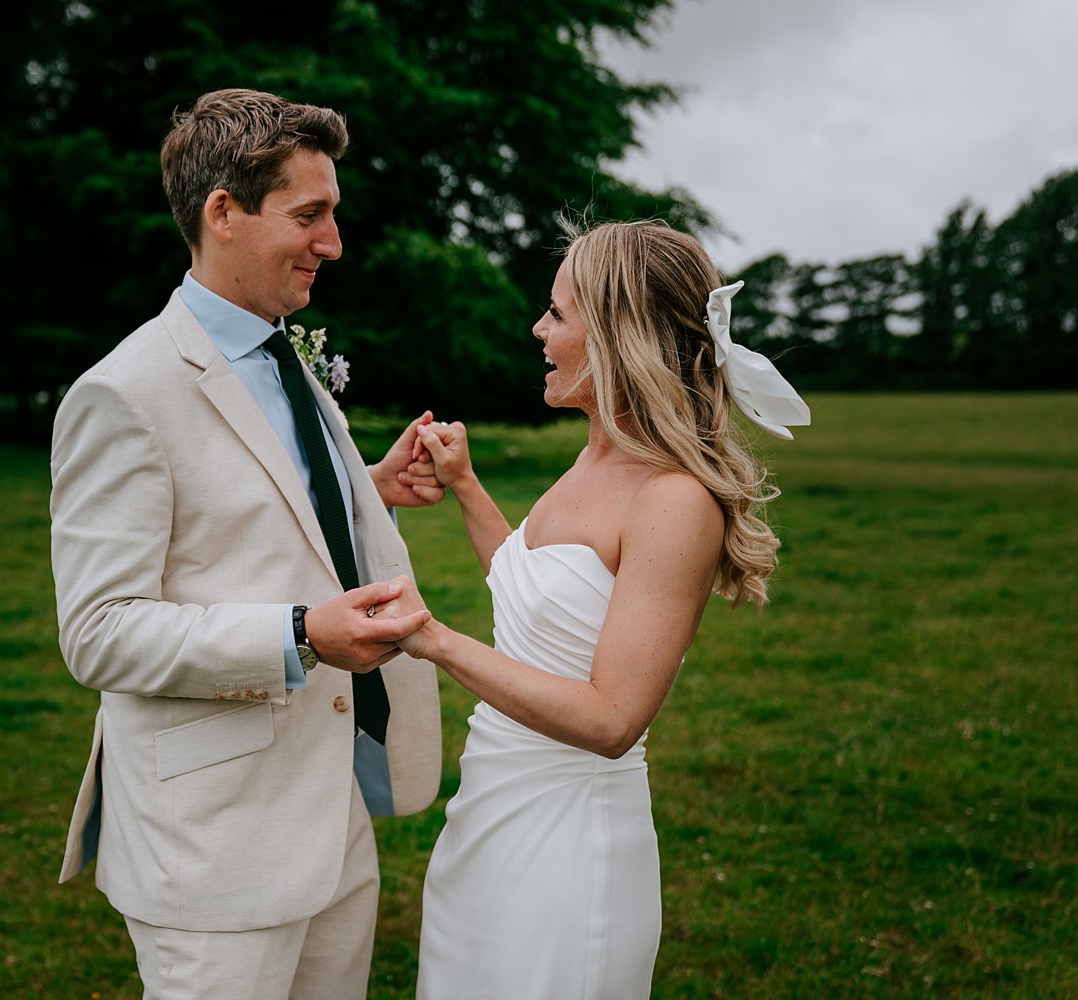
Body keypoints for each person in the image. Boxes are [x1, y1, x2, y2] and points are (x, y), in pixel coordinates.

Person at [49, 88, 446, 1000]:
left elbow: (255, 505)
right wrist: (302, 633)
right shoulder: (125, 395)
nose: (334, 243)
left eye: (333, 214)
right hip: (213, 847)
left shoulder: (280, 352)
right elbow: (100, 631)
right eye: (310, 216)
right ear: (222, 213)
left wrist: (367, 489)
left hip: (329, 808)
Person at [376, 221, 810, 999]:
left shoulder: (674, 500)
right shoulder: (593, 454)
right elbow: (536, 602)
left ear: (614, 336)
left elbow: (613, 720)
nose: (539, 330)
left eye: (557, 313)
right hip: (486, 820)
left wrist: (433, 639)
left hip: (566, 852)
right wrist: (468, 488)